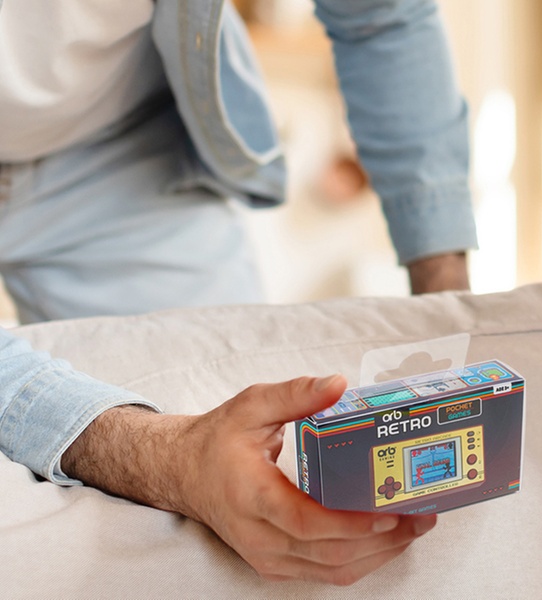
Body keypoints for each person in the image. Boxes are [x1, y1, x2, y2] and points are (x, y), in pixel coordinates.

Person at [0, 0, 476, 584]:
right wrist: (160, 458)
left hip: (119, 153)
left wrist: (445, 304)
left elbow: (380, 16)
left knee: (245, 462)